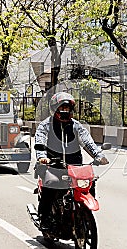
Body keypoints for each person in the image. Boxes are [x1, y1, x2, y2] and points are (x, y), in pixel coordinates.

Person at [34, 92, 109, 230]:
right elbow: (40, 142)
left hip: (75, 166)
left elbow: (87, 142)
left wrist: (98, 155)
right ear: (55, 109)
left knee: (89, 183)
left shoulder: (76, 126)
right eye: (62, 108)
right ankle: (44, 218)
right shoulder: (46, 126)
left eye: (67, 108)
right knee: (51, 184)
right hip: (53, 165)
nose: (65, 111)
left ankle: (84, 213)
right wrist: (42, 157)